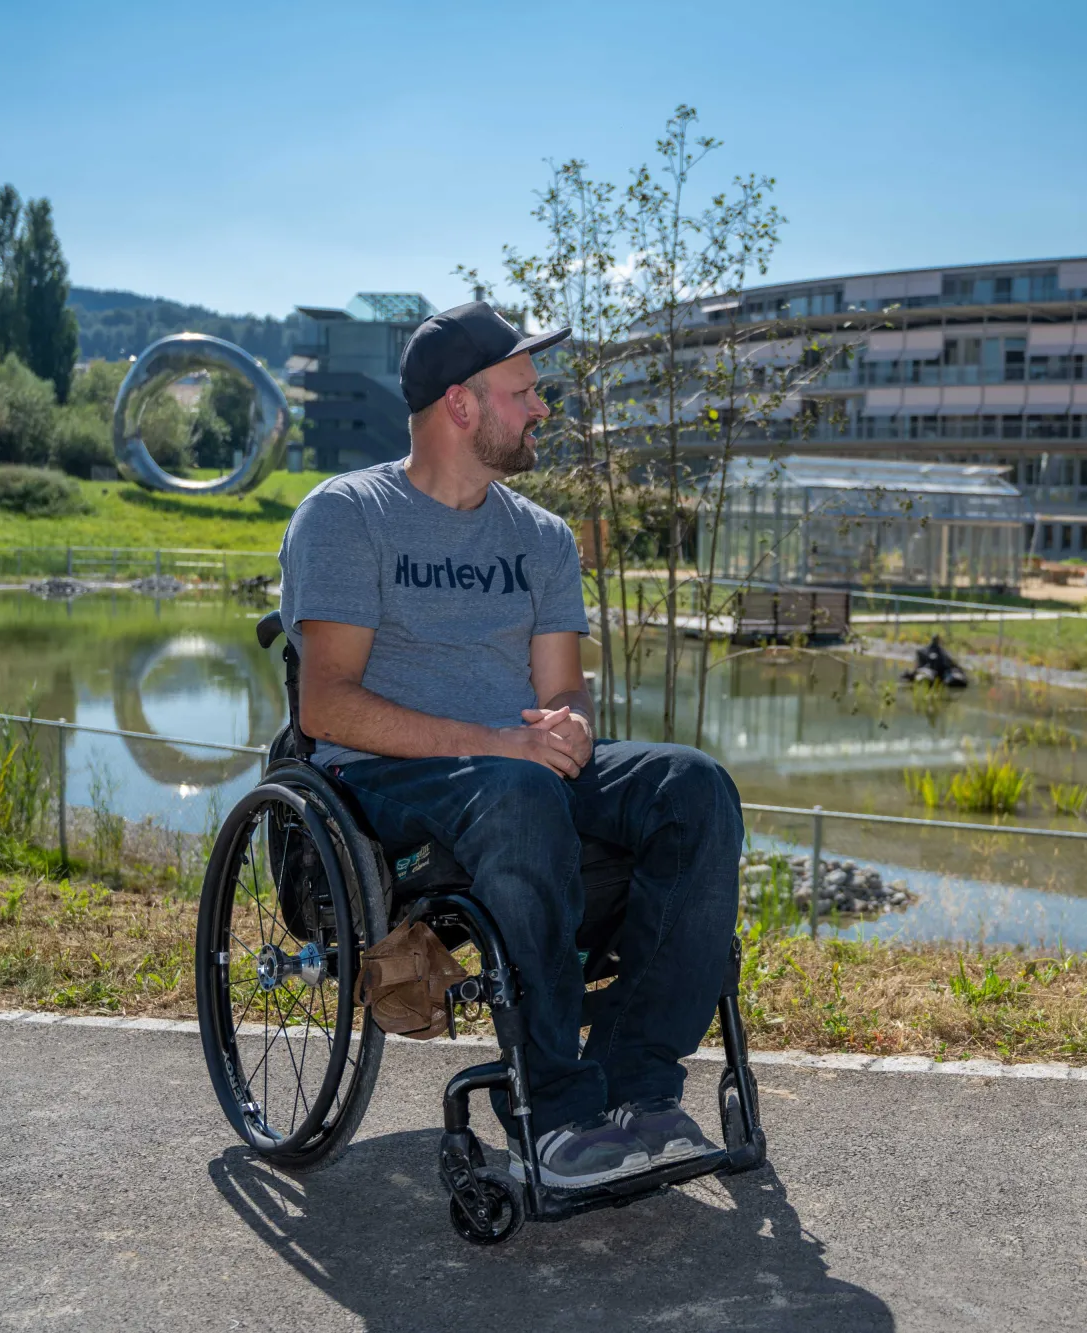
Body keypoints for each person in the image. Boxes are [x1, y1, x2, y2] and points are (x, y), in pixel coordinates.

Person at [277, 301, 742, 1190]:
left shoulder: (540, 536)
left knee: (694, 786)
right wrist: (497, 745)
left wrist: (566, 725)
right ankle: (556, 1115)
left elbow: (560, 687)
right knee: (518, 790)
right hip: (384, 780)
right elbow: (327, 703)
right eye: (525, 391)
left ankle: (636, 1093)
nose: (542, 409)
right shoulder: (346, 516)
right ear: (461, 404)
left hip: (512, 769)